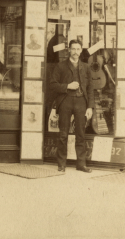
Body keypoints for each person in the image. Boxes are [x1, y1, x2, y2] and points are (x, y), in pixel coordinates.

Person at [50, 39, 94, 173]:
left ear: (81, 50)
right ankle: (61, 164)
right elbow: (52, 84)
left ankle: (81, 164)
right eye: (73, 49)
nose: (75, 52)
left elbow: (91, 88)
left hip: (81, 102)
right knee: (63, 134)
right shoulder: (61, 66)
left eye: (78, 49)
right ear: (69, 50)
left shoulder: (86, 67)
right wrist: (67, 86)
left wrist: (90, 107)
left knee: (80, 134)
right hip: (66, 101)